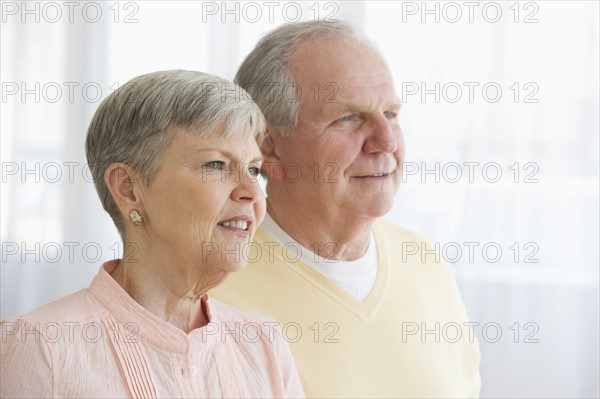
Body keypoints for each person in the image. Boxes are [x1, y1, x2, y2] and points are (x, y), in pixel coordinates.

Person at [211, 21, 481, 398]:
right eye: (348, 119)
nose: (385, 142)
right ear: (268, 147)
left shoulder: (426, 264)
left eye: (390, 114)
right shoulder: (212, 296)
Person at [0, 70, 304, 399]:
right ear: (128, 188)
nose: (252, 192)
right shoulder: (41, 345)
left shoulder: (264, 344)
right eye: (216, 164)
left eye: (253, 170)